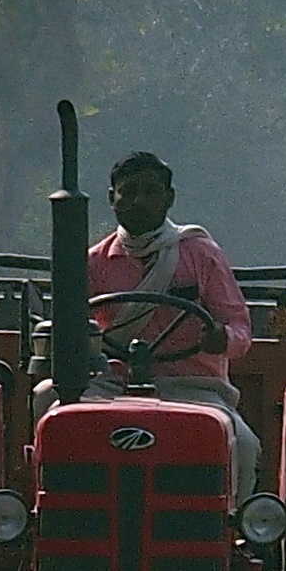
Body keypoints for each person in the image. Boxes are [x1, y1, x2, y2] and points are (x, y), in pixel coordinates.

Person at [86, 151, 262, 501]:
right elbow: (75, 331)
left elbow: (240, 331)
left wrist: (219, 338)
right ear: (112, 198)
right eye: (129, 191)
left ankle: (235, 534)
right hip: (113, 387)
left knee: (243, 444)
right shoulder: (95, 262)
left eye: (151, 192)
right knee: (50, 406)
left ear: (169, 199)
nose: (139, 201)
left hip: (193, 388)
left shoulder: (200, 254)